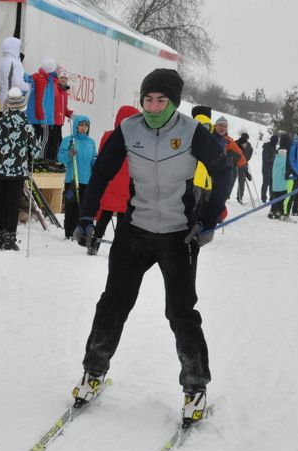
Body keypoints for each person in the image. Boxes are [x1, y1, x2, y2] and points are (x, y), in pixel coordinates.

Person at [70, 68, 231, 426]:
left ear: (173, 102)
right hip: (136, 231)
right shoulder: (129, 130)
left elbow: (225, 171)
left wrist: (207, 218)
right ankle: (92, 372)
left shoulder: (191, 132)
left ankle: (195, 387)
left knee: (180, 312)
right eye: (148, 99)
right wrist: (85, 216)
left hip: (179, 235)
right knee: (113, 302)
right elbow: (101, 174)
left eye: (161, 100)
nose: (154, 106)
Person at [0, 87, 40, 250]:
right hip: (16, 171)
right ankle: (10, 238)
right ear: (22, 106)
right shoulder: (26, 125)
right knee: (12, 204)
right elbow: (36, 151)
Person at [89, 105, 138, 256]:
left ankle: (95, 242)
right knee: (123, 219)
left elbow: (101, 156)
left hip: (110, 182)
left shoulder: (108, 135)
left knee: (105, 215)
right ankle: (119, 248)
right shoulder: (136, 140)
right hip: (126, 184)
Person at [57, 114, 96, 239]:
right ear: (76, 126)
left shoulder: (91, 142)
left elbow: (94, 157)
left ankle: (82, 231)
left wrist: (96, 161)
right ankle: (69, 232)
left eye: (86, 125)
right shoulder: (69, 140)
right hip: (72, 180)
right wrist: (69, 154)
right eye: (81, 125)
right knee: (71, 206)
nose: (83, 128)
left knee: (84, 207)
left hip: (87, 180)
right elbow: (60, 158)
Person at [26, 58, 58, 157]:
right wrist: (43, 119)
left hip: (36, 117)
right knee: (43, 140)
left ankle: (32, 161)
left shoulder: (46, 79)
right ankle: (40, 161)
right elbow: (40, 101)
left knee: (34, 141)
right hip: (41, 118)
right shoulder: (42, 81)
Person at [211, 116, 246, 201]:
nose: (223, 128)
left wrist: (244, 167)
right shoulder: (209, 135)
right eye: (220, 125)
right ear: (215, 126)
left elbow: (240, 155)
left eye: (225, 126)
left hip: (220, 173)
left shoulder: (228, 141)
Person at [46, 68, 73, 161]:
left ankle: (54, 160)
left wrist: (70, 114)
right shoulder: (55, 89)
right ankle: (49, 160)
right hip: (53, 121)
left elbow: (64, 109)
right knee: (52, 142)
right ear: (58, 78)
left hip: (60, 122)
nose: (63, 79)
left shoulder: (65, 93)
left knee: (59, 142)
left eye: (65, 78)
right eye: (61, 77)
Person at [0, 37, 29, 109]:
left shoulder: (0, 62)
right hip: (12, 100)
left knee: (3, 118)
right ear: (14, 48)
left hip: (1, 97)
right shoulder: (16, 63)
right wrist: (28, 86)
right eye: (18, 47)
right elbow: (18, 83)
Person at [268, 133, 292, 220]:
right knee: (282, 195)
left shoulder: (278, 151)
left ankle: (273, 211)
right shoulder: (286, 152)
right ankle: (279, 211)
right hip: (282, 178)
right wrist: (287, 174)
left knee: (276, 195)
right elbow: (284, 166)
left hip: (276, 177)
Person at [285, 132, 298, 216]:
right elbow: (291, 162)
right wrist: (297, 173)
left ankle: (294, 211)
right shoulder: (294, 147)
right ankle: (286, 213)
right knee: (293, 194)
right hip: (294, 175)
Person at [234, 132, 254, 204]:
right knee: (236, 181)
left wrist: (245, 160)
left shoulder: (247, 145)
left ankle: (239, 197)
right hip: (238, 164)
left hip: (242, 164)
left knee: (240, 181)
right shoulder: (237, 143)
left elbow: (250, 154)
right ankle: (238, 197)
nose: (246, 140)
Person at [261, 134, 278, 203]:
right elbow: (266, 159)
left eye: (277, 141)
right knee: (265, 183)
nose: (276, 142)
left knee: (272, 184)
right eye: (275, 141)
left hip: (272, 169)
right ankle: (263, 198)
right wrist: (275, 157)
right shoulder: (267, 147)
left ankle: (272, 197)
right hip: (266, 169)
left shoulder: (273, 147)